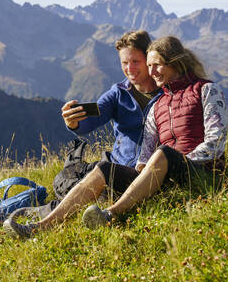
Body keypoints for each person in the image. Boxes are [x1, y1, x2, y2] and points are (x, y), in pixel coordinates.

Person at [4, 36, 228, 238]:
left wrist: (180, 160)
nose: (151, 71)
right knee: (102, 168)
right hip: (160, 175)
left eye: (155, 64)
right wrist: (75, 123)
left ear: (175, 61)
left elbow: (216, 141)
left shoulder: (205, 90)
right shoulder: (152, 103)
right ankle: (41, 226)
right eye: (149, 66)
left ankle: (109, 215)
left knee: (163, 153)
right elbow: (145, 152)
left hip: (200, 172)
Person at [54, 30, 161, 199]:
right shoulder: (118, 93)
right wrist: (73, 122)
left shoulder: (167, 93)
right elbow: (92, 119)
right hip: (117, 167)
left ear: (148, 59)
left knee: (89, 189)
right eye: (124, 62)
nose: (129, 68)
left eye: (135, 61)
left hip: (150, 173)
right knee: (64, 179)